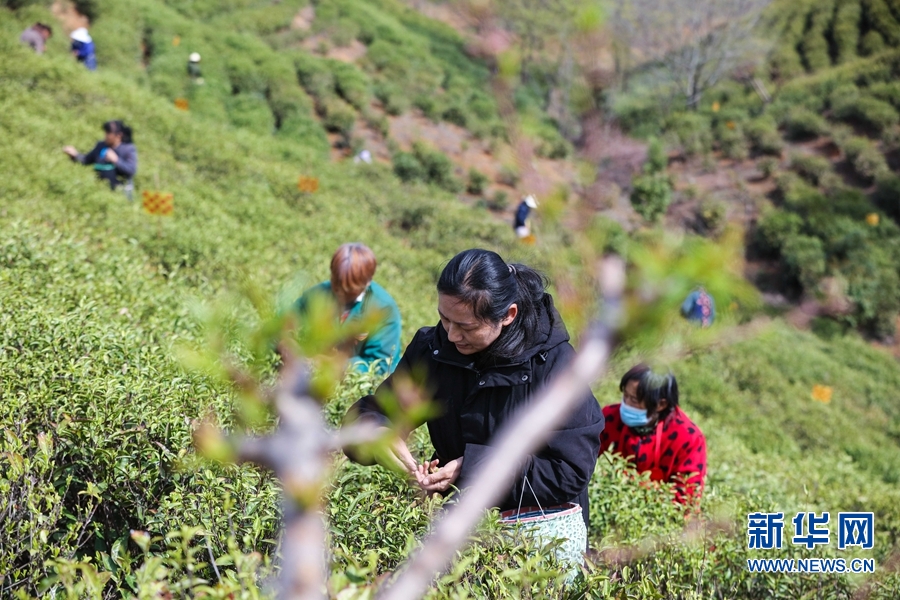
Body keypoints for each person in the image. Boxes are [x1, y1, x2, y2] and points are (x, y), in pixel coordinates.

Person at [345, 248, 604, 528]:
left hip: (536, 534)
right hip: (460, 527)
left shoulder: (555, 367)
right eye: (445, 319)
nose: (452, 335)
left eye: (466, 327)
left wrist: (472, 467)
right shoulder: (433, 349)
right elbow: (378, 409)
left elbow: (567, 472)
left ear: (508, 315)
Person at [599, 364, 707, 505]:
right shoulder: (609, 418)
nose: (626, 404)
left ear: (660, 404)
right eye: (625, 396)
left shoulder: (688, 438)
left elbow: (686, 499)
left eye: (634, 400)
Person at [295, 243, 402, 377]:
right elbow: (282, 322)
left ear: (367, 282)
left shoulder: (383, 309)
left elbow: (380, 366)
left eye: (349, 289)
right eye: (336, 284)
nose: (340, 293)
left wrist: (332, 364)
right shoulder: (319, 293)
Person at [63, 120, 138, 195]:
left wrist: (116, 160)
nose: (106, 135)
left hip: (120, 192)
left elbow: (131, 170)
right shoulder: (101, 146)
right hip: (100, 191)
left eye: (109, 133)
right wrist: (75, 155)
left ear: (119, 135)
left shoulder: (128, 149)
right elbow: (86, 160)